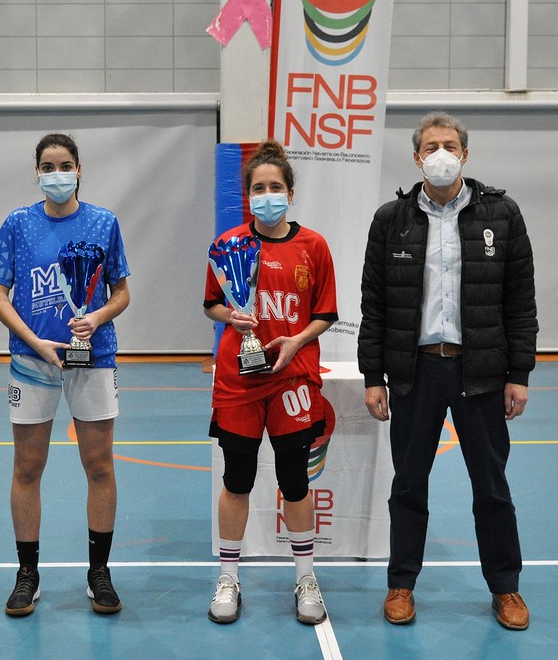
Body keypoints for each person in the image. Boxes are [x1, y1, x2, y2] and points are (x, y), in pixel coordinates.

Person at [358, 111, 538, 630]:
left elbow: (520, 301)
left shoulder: (503, 214)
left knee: (492, 486)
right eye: (432, 146)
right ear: (417, 158)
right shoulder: (390, 219)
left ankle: (505, 588)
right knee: (408, 485)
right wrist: (373, 376)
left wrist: (519, 373)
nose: (441, 154)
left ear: (465, 154)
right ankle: (401, 585)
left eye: (450, 146)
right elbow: (374, 304)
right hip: (415, 371)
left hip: (481, 371)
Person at [0, 133, 131, 616]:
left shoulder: (104, 222)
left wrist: (98, 317)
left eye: (65, 165)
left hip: (95, 358)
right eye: (48, 166)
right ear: (37, 173)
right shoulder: (18, 223)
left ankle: (99, 573)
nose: (57, 174)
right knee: (27, 467)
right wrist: (33, 340)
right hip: (32, 360)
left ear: (79, 170)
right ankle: (27, 575)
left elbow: (122, 292)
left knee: (100, 465)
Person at [203, 140, 338, 625]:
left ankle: (306, 578)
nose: (267, 196)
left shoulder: (313, 246)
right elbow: (211, 304)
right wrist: (232, 317)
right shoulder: (228, 245)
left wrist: (296, 340)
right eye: (258, 188)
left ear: (290, 193)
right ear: (247, 196)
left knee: (295, 482)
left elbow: (326, 313)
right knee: (236, 480)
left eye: (275, 187)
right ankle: (229, 578)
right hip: (239, 381)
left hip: (291, 380)